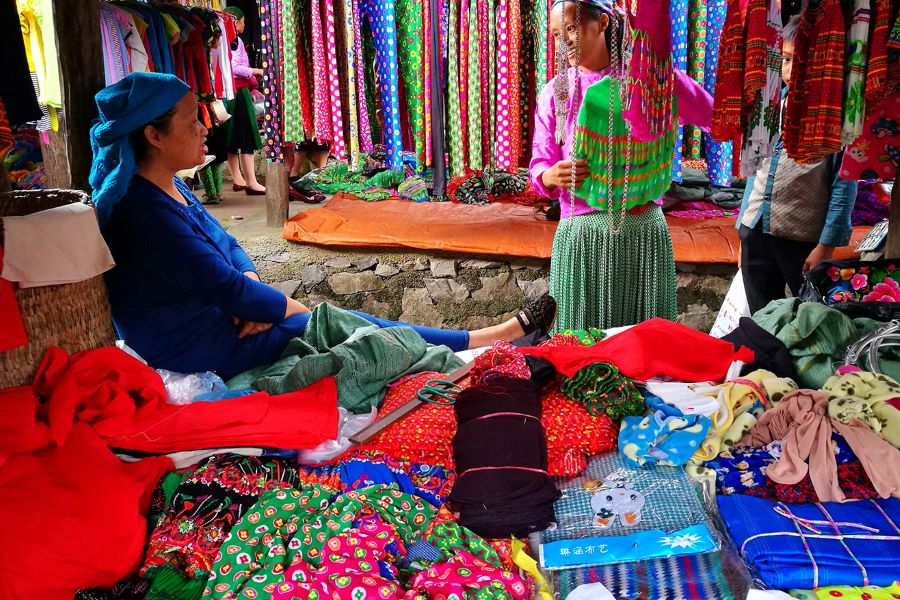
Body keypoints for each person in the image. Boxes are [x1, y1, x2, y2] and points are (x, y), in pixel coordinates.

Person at [90, 72, 555, 379]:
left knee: (332, 323)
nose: (207, 127)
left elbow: (228, 246)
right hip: (196, 347)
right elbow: (224, 288)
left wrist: (253, 284)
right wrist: (281, 306)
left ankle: (476, 342)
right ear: (153, 135)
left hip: (224, 320)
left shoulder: (166, 186)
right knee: (334, 325)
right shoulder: (142, 211)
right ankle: (480, 343)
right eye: (193, 120)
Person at [530, 0, 713, 332]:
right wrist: (549, 175)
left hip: (644, 232)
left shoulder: (651, 82)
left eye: (571, 29)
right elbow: (539, 162)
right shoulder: (555, 93)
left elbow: (714, 116)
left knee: (644, 349)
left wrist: (665, 82)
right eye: (557, 34)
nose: (564, 43)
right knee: (580, 349)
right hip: (582, 235)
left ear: (601, 23)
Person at [736, 15, 857, 315]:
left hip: (801, 237)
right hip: (756, 228)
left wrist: (826, 246)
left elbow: (844, 185)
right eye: (786, 60)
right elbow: (756, 167)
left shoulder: (837, 119)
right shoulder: (771, 105)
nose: (790, 71)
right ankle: (767, 362)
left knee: (809, 316)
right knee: (762, 316)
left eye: (800, 61)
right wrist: (743, 229)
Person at [222, 6, 266, 196]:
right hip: (239, 92)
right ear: (236, 21)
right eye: (242, 22)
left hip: (228, 93)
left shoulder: (223, 39)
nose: (244, 26)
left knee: (232, 138)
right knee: (247, 135)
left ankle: (239, 179)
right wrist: (255, 71)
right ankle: (251, 181)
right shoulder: (232, 41)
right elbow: (234, 67)